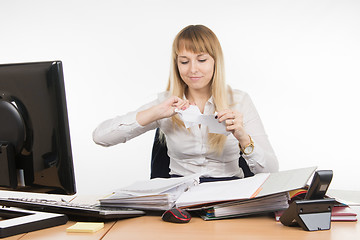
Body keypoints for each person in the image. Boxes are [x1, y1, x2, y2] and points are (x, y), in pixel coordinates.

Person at [93, 25, 279, 180]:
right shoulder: (166, 102)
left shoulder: (239, 101)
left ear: (215, 61)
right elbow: (100, 137)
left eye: (201, 60)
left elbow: (271, 171)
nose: (193, 69)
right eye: (184, 61)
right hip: (182, 197)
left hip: (229, 197)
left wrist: (243, 137)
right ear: (176, 64)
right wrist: (155, 113)